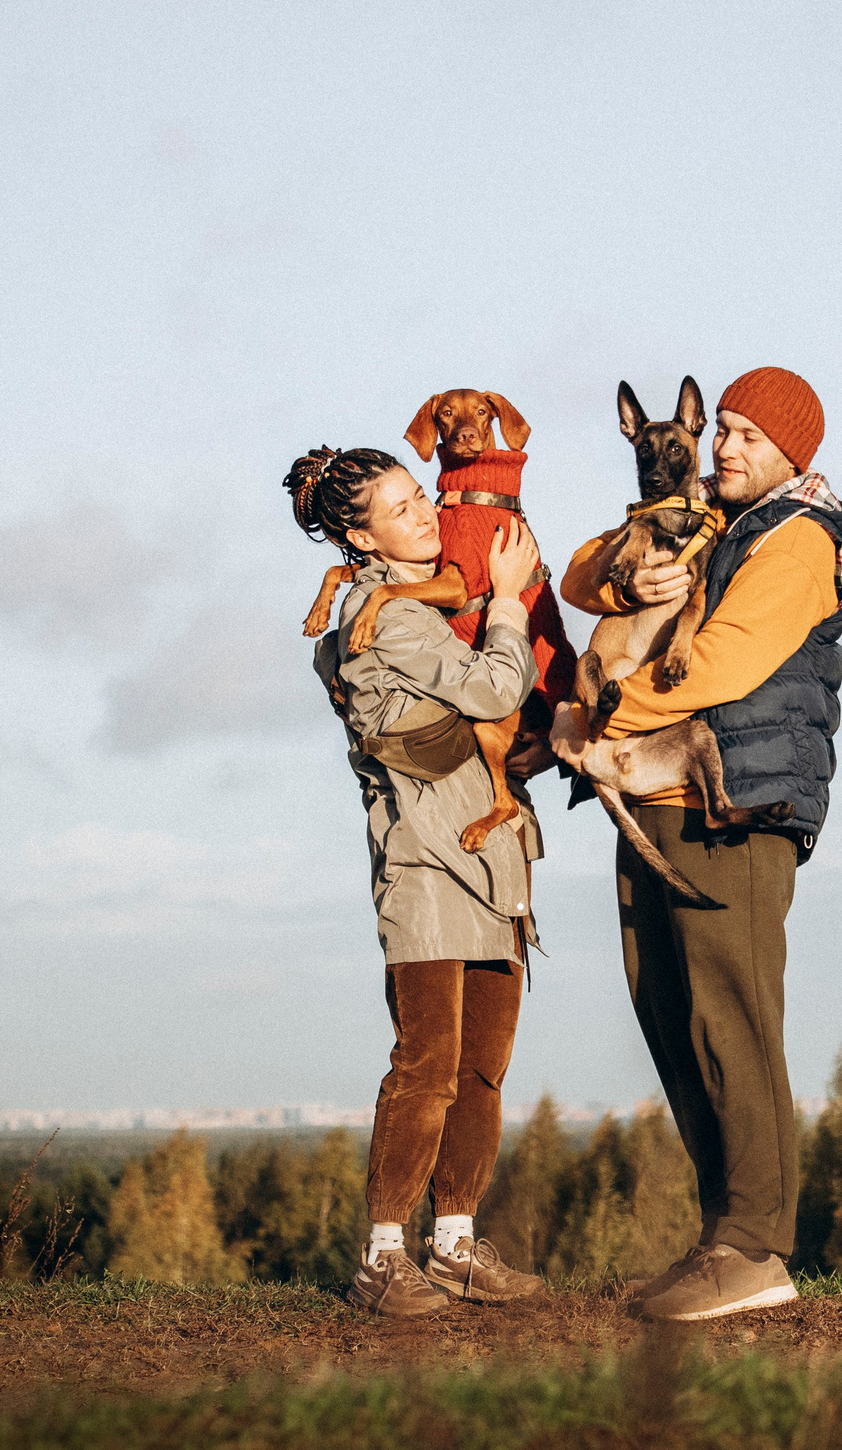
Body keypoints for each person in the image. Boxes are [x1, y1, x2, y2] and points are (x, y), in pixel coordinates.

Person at [559, 366, 842, 1321]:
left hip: (734, 808)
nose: (724, 447)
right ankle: (721, 1237)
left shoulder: (800, 538)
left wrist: (597, 720)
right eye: (721, 428)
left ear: (790, 453)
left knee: (731, 1021)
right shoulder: (716, 524)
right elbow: (578, 572)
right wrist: (624, 574)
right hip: (656, 792)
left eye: (744, 435)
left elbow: (724, 662)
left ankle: (757, 1248)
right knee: (673, 1016)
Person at [287, 445, 551, 1318]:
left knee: (481, 1071)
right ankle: (381, 1257)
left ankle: (455, 1247)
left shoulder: (423, 608)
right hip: (427, 867)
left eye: (419, 497)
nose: (425, 514)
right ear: (361, 538)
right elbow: (495, 688)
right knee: (428, 1067)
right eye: (399, 509)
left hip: (491, 862)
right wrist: (507, 599)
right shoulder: (387, 617)